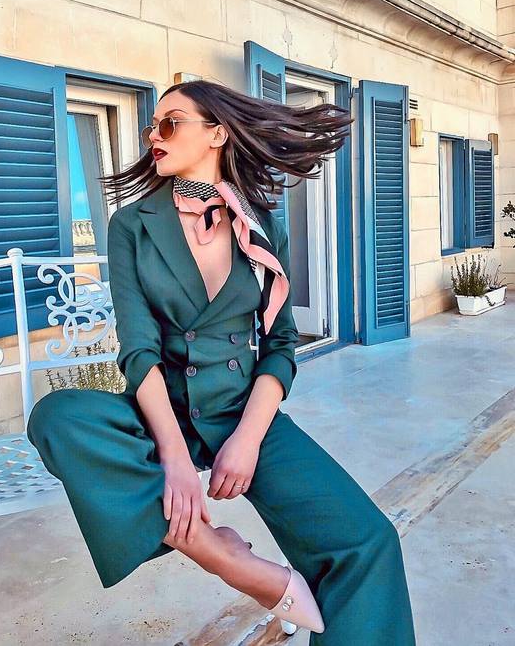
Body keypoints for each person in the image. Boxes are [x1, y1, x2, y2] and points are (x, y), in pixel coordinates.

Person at [26, 80, 417, 643]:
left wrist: (248, 440)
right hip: (166, 411)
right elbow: (138, 349)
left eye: (170, 123)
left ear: (217, 133)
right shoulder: (132, 225)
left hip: (242, 412)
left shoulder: (262, 225)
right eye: (151, 126)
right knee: (58, 417)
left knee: (368, 543)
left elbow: (280, 343)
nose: (154, 136)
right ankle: (219, 553)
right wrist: (175, 459)